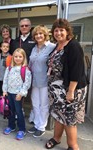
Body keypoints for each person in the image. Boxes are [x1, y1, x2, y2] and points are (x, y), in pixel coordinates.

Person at [45, 19, 87, 150]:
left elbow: (76, 70)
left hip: (70, 89)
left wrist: (70, 91)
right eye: (56, 30)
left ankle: (73, 146)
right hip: (57, 90)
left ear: (68, 31)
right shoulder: (57, 46)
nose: (58, 33)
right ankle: (56, 138)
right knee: (59, 115)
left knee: (69, 119)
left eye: (61, 30)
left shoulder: (73, 46)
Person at [28, 25, 56, 137]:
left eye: (41, 34)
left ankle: (41, 127)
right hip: (34, 80)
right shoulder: (34, 48)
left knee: (44, 104)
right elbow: (30, 64)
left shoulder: (52, 47)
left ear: (45, 35)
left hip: (45, 81)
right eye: (36, 34)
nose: (38, 36)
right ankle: (36, 124)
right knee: (35, 103)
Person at [2, 48, 32, 140]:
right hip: (9, 93)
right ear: (13, 57)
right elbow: (5, 79)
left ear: (23, 58)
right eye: (16, 56)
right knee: (10, 111)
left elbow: (27, 83)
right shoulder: (9, 68)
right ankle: (11, 126)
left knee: (19, 112)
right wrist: (4, 90)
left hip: (18, 94)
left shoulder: (25, 69)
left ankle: (22, 129)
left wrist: (21, 93)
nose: (17, 58)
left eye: (20, 57)